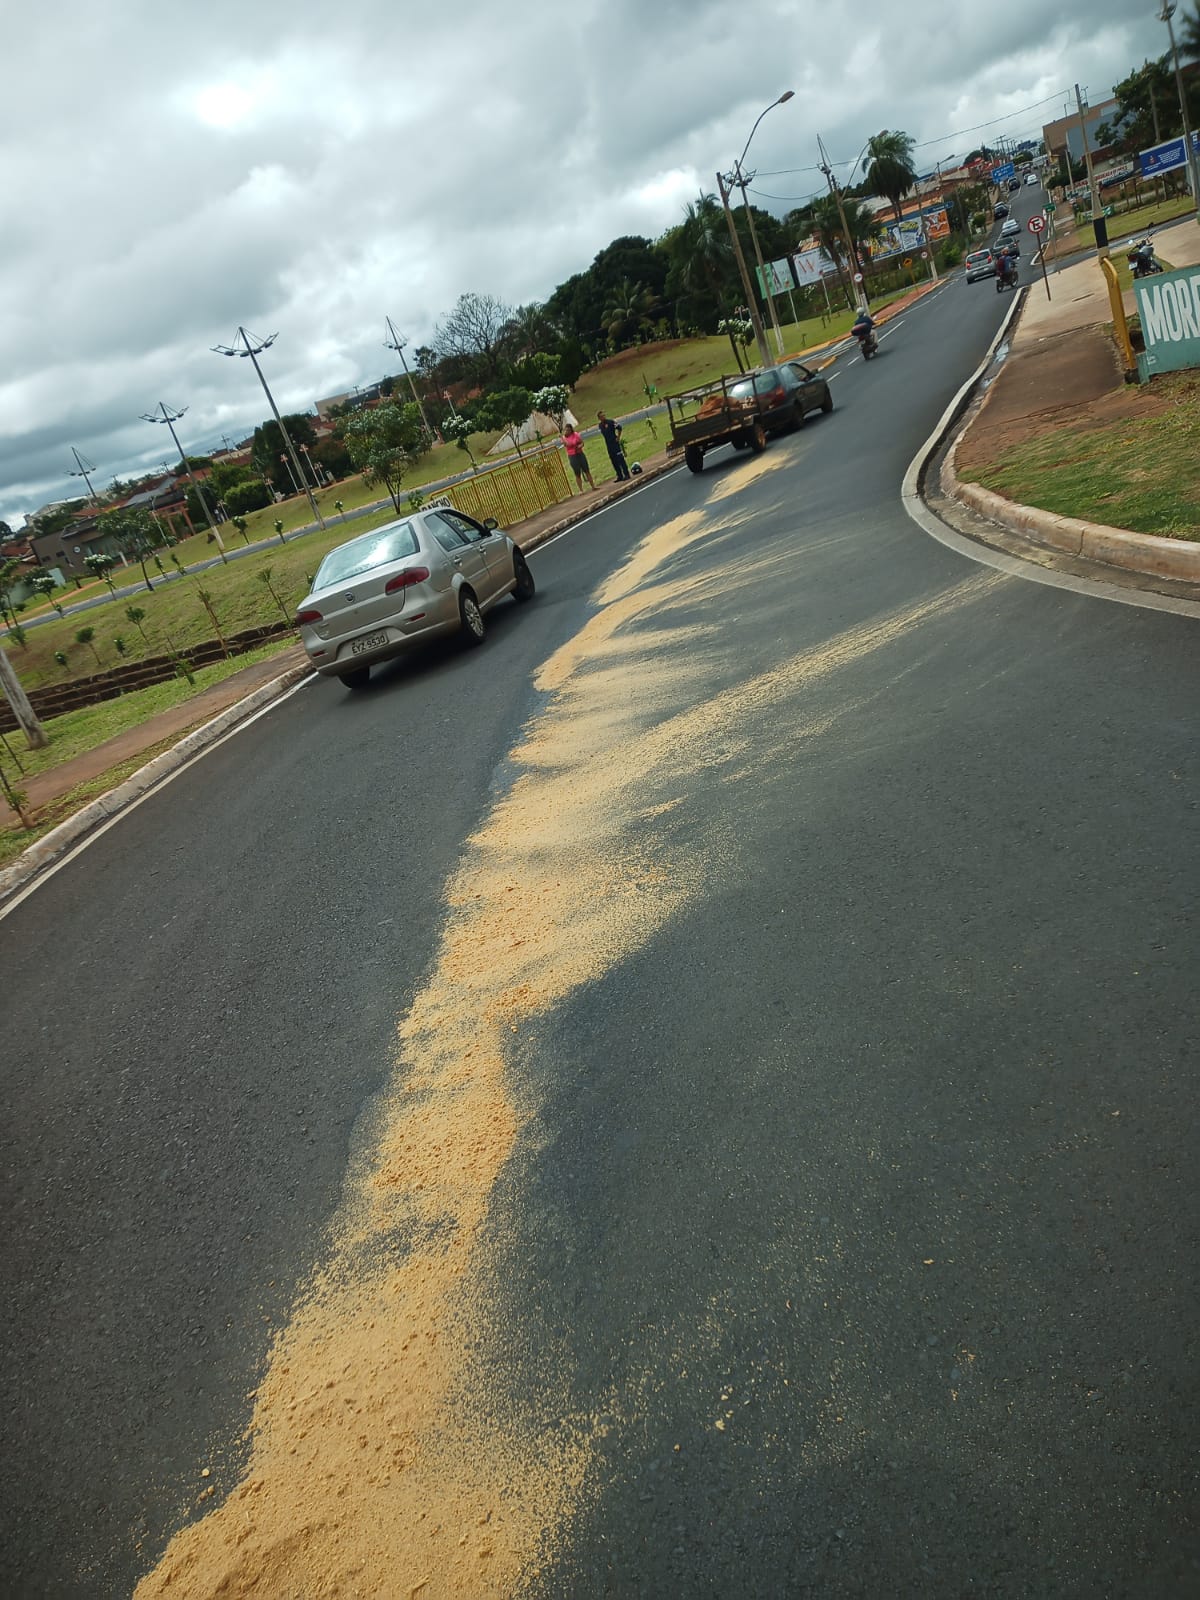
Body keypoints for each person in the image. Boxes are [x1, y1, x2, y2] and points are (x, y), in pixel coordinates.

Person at [596, 410, 631, 482]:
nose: (603, 417)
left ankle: (626, 474)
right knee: (614, 460)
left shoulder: (610, 422)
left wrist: (618, 437)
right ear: (599, 418)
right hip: (608, 445)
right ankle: (619, 475)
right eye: (601, 416)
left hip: (614, 443)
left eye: (604, 415)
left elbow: (619, 427)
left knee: (620, 459)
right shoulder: (600, 426)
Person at [561, 425, 596, 492]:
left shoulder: (575, 434)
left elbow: (582, 442)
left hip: (580, 453)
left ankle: (593, 486)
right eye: (566, 430)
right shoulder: (564, 438)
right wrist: (562, 438)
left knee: (586, 470)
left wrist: (580, 446)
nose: (567, 431)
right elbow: (567, 445)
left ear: (571, 430)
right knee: (577, 473)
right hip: (572, 456)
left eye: (568, 430)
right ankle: (581, 490)